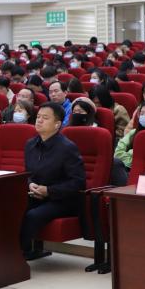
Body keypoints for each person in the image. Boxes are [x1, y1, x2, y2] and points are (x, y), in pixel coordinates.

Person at [19, 102, 87, 261]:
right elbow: (28, 174)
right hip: (36, 195)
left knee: (33, 215)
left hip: (63, 200)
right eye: (38, 117)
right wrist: (30, 183)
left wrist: (49, 191)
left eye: (45, 118)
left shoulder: (67, 148)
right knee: (10, 207)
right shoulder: (30, 144)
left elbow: (78, 182)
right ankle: (2, 250)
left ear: (57, 124)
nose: (39, 120)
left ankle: (20, 254)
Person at [112, 100, 145, 185]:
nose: (144, 117)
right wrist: (134, 158)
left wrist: (130, 152)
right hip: (131, 172)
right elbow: (118, 153)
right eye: (142, 114)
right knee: (115, 163)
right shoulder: (133, 133)